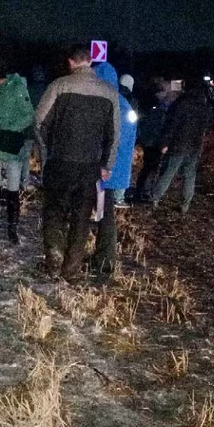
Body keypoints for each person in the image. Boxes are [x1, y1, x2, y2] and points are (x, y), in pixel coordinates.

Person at [35, 44, 120, 282]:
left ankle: (54, 259)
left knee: (54, 211)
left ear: (71, 62)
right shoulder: (109, 92)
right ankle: (71, 270)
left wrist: (47, 150)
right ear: (90, 62)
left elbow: (39, 122)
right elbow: (114, 135)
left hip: (60, 162)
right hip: (90, 167)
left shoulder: (59, 86)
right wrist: (107, 165)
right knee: (81, 218)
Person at [92, 62, 138, 276]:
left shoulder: (108, 105)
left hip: (104, 171)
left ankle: (105, 260)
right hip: (115, 172)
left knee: (104, 216)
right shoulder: (124, 104)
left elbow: (106, 141)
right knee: (104, 214)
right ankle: (104, 257)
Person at [0, 62, 34, 244]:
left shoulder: (18, 88)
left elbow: (28, 115)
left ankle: (12, 230)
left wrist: (10, 130)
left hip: (12, 144)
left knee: (13, 187)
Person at [149, 79, 213, 213]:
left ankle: (155, 197)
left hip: (178, 145)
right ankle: (185, 205)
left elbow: (171, 126)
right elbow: (207, 125)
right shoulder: (204, 106)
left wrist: (165, 143)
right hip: (195, 147)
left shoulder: (181, 104)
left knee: (168, 172)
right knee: (189, 176)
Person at [134, 79, 176, 201]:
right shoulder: (161, 111)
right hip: (154, 143)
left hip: (149, 142)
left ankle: (141, 190)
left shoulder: (153, 107)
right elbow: (159, 128)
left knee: (148, 167)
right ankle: (144, 192)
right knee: (151, 168)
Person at [20, 64, 49, 190]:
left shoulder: (27, 88)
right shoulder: (48, 89)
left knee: (26, 152)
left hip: (28, 124)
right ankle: (44, 178)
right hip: (42, 125)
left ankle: (25, 180)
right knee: (44, 152)